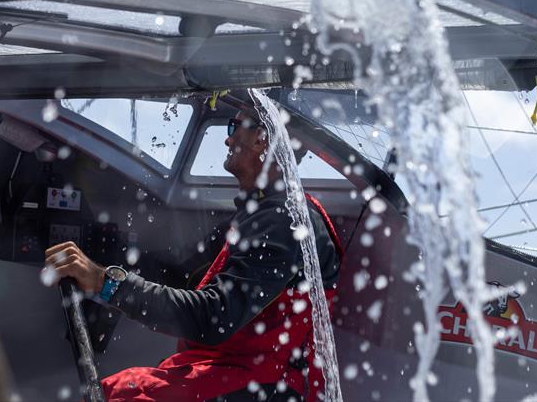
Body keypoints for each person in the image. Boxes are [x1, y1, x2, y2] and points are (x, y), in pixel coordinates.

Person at [44, 106, 343, 401]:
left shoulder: (285, 223)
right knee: (119, 390)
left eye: (233, 128)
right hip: (234, 371)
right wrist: (98, 264)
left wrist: (106, 283)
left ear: (260, 139)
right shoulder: (263, 214)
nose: (228, 140)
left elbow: (214, 318)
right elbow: (180, 270)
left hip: (267, 387)